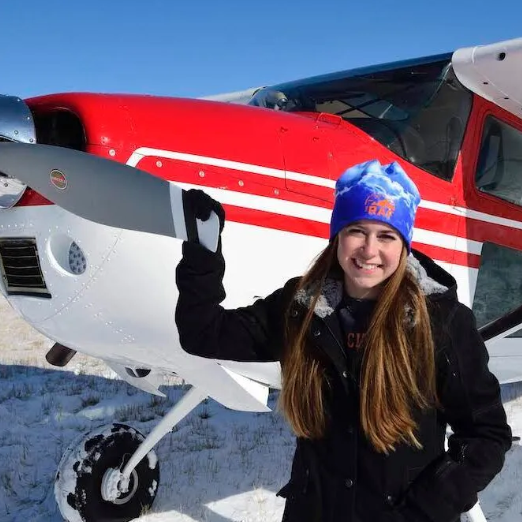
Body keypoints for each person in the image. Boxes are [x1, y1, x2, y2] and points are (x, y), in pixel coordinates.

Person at [175, 159, 512, 522]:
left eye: (386, 235)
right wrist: (203, 255)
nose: (369, 250)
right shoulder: (302, 307)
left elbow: (485, 436)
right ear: (337, 235)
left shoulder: (440, 322)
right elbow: (204, 334)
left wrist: (423, 509)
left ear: (404, 245)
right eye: (356, 230)